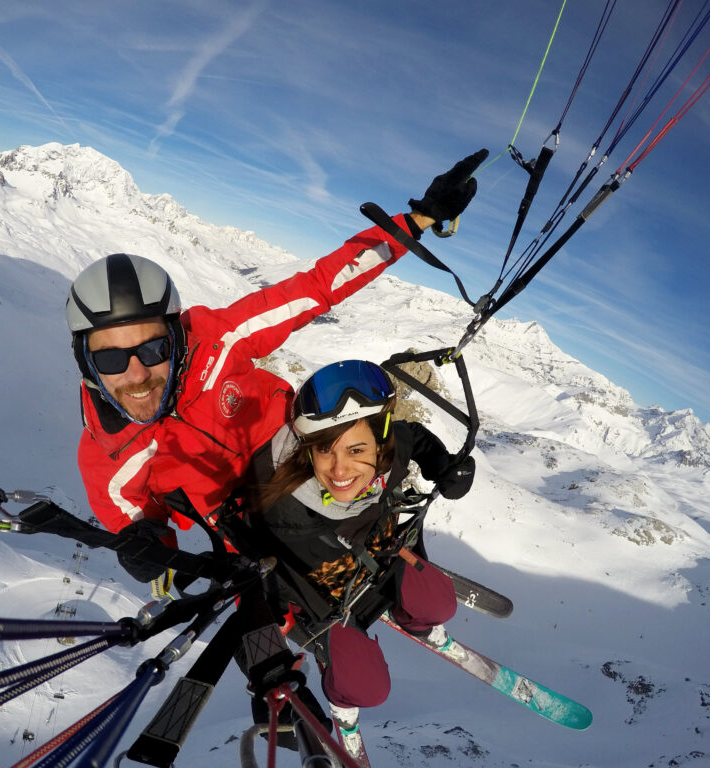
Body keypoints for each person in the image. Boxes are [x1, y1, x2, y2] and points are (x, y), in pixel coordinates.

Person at [64, 149, 488, 583]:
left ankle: (401, 526)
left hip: (301, 449)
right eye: (112, 358)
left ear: (174, 338)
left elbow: (318, 286)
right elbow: (131, 517)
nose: (136, 374)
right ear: (87, 363)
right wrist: (146, 545)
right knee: (282, 583)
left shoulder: (217, 342)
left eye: (153, 349)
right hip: (246, 520)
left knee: (361, 434)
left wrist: (417, 220)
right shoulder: (108, 453)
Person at [243, 359, 476, 743]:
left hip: (381, 562)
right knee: (368, 690)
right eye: (325, 450)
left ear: (379, 439)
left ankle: (413, 619)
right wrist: (264, 662)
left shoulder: (390, 449)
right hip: (325, 608)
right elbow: (254, 577)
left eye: (356, 449)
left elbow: (413, 435)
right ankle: (341, 693)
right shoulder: (285, 510)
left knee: (439, 606)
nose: (340, 469)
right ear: (307, 448)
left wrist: (442, 467)